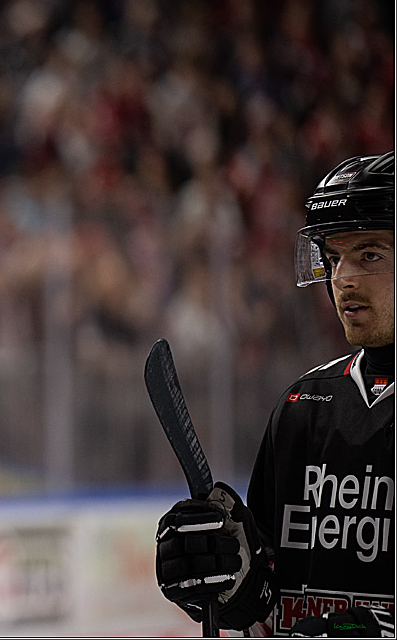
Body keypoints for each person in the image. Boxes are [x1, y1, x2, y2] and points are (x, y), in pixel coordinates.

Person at [154, 151, 395, 637]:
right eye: (332, 258)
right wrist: (230, 582)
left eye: (369, 254)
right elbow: (267, 599)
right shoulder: (304, 406)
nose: (343, 277)